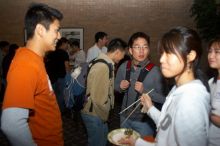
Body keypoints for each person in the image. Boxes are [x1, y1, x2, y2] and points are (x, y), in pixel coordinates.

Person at [119, 26, 210, 146]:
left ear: (190, 56)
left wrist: (138, 142)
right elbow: (167, 124)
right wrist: (150, 108)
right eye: (162, 53)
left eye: (169, 53)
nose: (161, 59)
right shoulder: (178, 89)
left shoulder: (191, 101)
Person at [1, 3, 64, 146]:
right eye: (57, 30)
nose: (59, 36)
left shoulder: (34, 59)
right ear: (41, 30)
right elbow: (11, 124)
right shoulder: (26, 63)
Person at [115, 32, 166, 137]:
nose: (141, 51)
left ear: (148, 50)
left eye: (145, 47)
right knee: (125, 143)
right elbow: (114, 87)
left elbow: (164, 100)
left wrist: (145, 91)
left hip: (145, 123)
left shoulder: (156, 71)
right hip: (125, 118)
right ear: (130, 50)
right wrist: (120, 87)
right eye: (137, 47)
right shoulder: (123, 67)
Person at [81, 38, 127, 146]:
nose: (123, 58)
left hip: (96, 113)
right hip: (95, 114)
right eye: (123, 55)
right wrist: (105, 116)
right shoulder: (103, 67)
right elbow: (98, 99)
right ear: (117, 52)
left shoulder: (103, 62)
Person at [45, 37, 70, 113]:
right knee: (61, 95)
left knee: (52, 96)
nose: (67, 46)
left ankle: (52, 111)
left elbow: (46, 64)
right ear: (63, 44)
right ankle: (60, 111)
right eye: (67, 44)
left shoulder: (50, 52)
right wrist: (69, 76)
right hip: (61, 77)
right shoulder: (64, 53)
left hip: (51, 77)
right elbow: (66, 66)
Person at [207, 36, 220, 146]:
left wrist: (207, 112)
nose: (211, 56)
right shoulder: (211, 82)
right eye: (210, 51)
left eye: (217, 52)